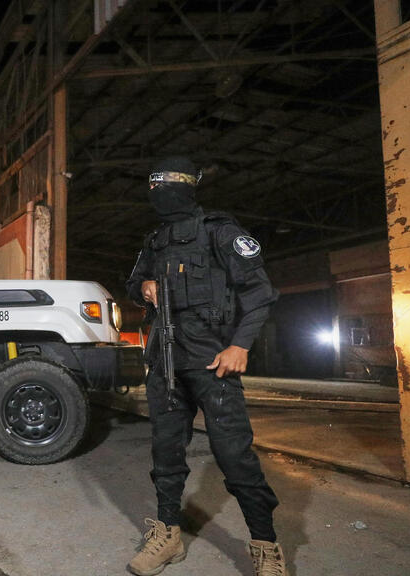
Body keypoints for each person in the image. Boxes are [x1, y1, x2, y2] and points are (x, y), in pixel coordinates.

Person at [124, 157, 286, 576]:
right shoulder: (155, 239)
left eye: (165, 187)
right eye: (153, 188)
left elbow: (260, 292)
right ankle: (169, 535)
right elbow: (132, 282)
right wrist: (143, 287)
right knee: (166, 454)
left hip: (213, 362)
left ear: (186, 189)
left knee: (234, 457)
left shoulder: (219, 231)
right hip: (165, 362)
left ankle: (265, 545)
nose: (158, 195)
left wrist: (239, 345)